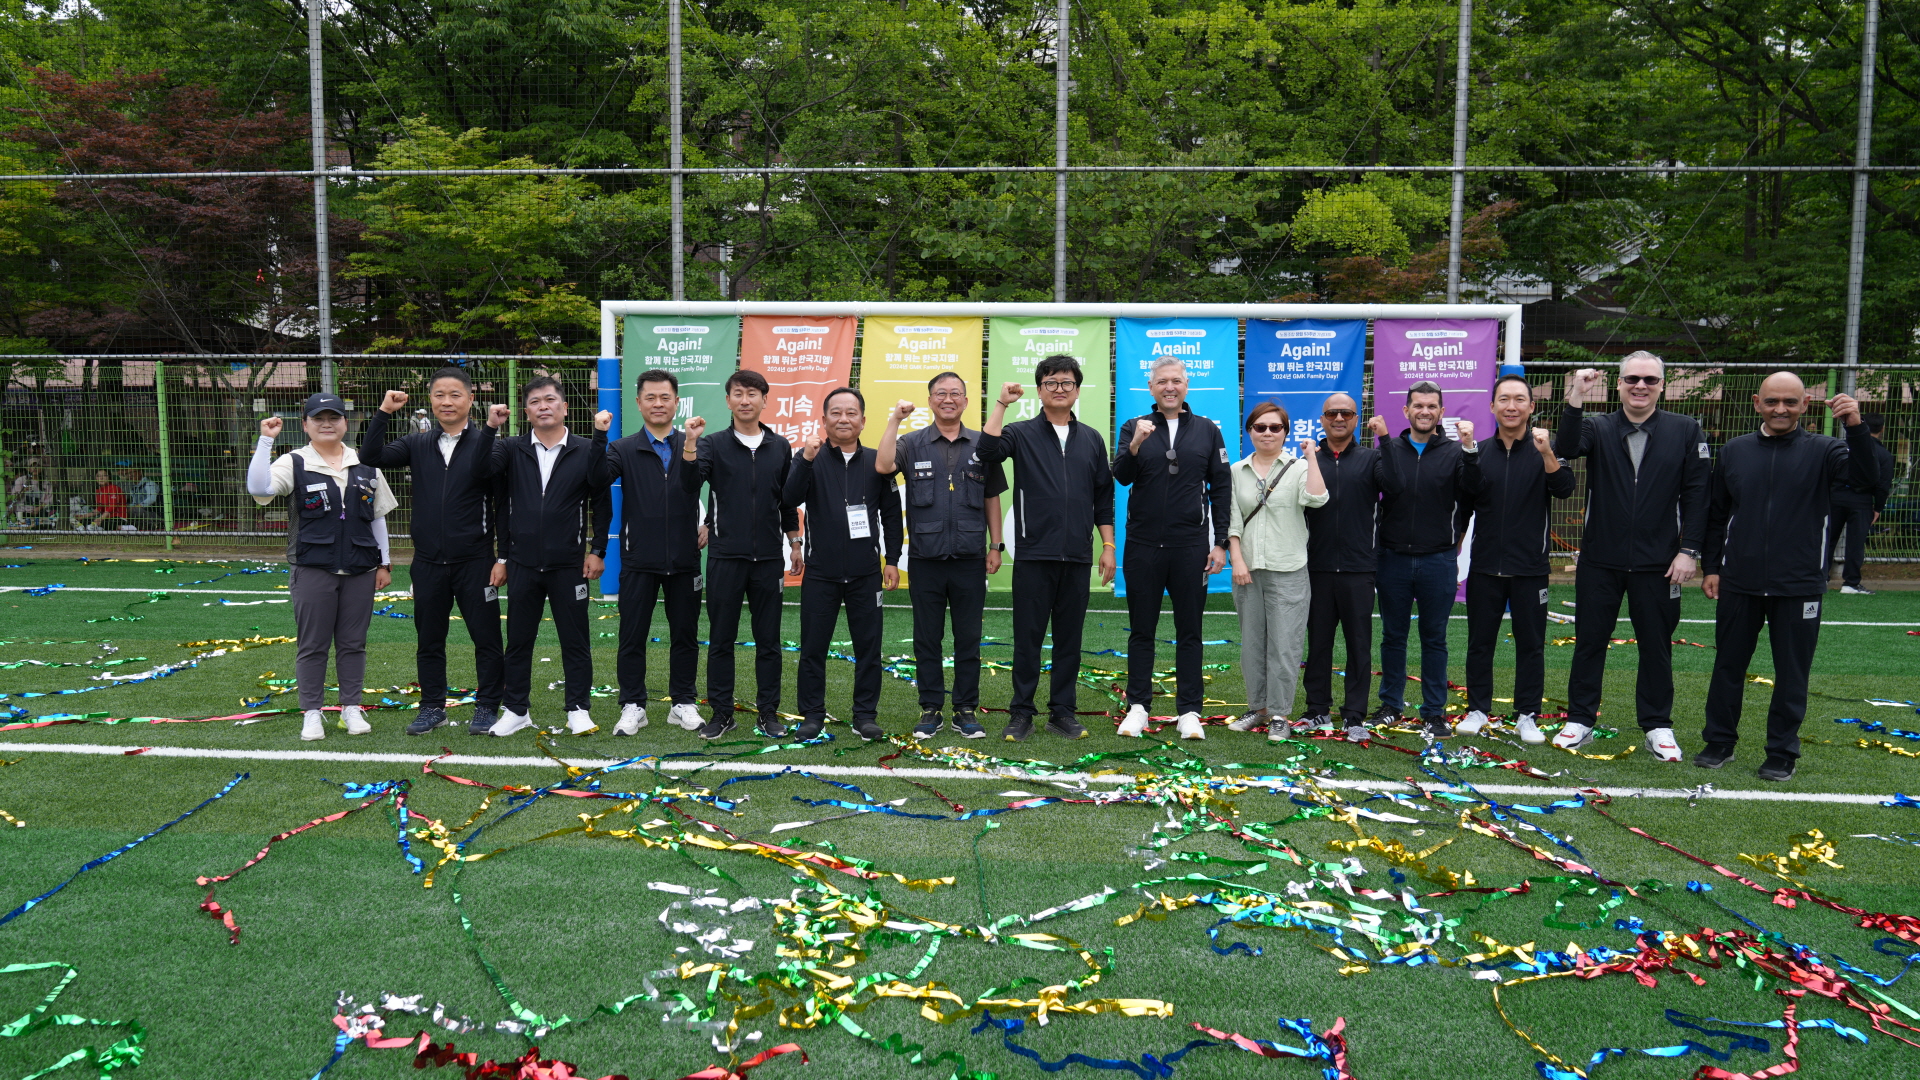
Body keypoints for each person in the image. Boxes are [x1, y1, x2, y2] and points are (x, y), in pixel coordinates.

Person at [1698, 375, 1875, 781]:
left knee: (1792, 673)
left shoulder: (1827, 450)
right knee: (1727, 665)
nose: (1781, 409)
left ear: (1805, 404)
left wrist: (1855, 426)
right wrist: (1712, 567)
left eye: (1790, 402)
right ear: (1757, 403)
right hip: (1739, 580)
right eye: (1773, 401)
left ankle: (1781, 752)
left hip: (1799, 584)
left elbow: (1866, 479)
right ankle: (1719, 741)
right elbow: (1716, 514)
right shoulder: (1735, 450)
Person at [1555, 353, 1711, 761]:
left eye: (1649, 380)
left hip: (1660, 563)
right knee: (1589, 642)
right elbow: (1566, 446)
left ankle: (1657, 726)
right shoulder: (1598, 426)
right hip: (1600, 560)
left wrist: (1689, 551)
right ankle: (1580, 719)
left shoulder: (1685, 429)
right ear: (1620, 384)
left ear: (1662, 385)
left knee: (1656, 646)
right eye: (1632, 379)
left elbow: (1698, 495)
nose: (1640, 386)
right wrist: (1577, 394)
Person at [360, 368, 511, 737]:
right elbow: (370, 454)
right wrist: (384, 411)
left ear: (471, 399)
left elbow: (504, 506)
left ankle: (488, 706)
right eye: (439, 394)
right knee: (429, 640)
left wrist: (502, 557)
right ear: (430, 400)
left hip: (476, 562)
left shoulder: (490, 443)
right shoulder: (417, 443)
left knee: (487, 638)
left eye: (455, 394)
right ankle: (432, 707)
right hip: (427, 562)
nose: (447, 401)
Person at [977, 356, 1116, 742]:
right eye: (1051, 383)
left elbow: (1103, 497)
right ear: (1039, 390)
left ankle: (1062, 713)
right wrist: (1001, 404)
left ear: (1077, 391)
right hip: (1034, 555)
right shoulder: (1020, 433)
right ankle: (1021, 712)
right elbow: (987, 451)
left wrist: (1107, 545)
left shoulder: (1092, 439)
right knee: (1028, 639)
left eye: (1067, 383)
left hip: (1077, 556)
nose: (1059, 389)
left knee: (1070, 640)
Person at [245, 393, 396, 740]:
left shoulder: (365, 463)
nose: (327, 424)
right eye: (318, 418)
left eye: (334, 417)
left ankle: (351, 708)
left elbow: (377, 517)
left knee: (353, 643)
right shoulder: (294, 461)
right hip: (313, 567)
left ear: (346, 422)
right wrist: (266, 440)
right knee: (312, 644)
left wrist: (384, 563)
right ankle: (311, 712)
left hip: (360, 568)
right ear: (305, 425)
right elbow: (259, 487)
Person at [874, 374, 1007, 740]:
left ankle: (965, 709)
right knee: (927, 639)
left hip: (970, 559)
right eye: (941, 394)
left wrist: (995, 545)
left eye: (955, 394)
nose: (948, 399)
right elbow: (883, 466)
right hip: (926, 559)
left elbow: (992, 497)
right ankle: (930, 708)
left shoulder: (982, 444)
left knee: (969, 638)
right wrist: (895, 419)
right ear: (930, 400)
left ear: (965, 401)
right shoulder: (911, 443)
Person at [1111, 358, 1232, 741]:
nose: (1169, 387)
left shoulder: (1208, 430)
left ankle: (1189, 712)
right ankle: (1138, 708)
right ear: (1151, 388)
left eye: (1176, 380)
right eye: (1162, 381)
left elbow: (1221, 488)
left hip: (1191, 547)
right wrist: (1135, 445)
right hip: (1143, 546)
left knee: (1190, 631)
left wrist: (1221, 543)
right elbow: (1121, 476)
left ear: (1186, 385)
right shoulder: (1134, 426)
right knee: (1141, 631)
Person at [680, 369, 802, 740]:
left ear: (765, 400)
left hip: (768, 558)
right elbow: (689, 484)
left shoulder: (780, 446)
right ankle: (722, 713)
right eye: (738, 393)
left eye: (752, 393)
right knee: (721, 639)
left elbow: (786, 501)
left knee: (769, 642)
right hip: (725, 556)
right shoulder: (711, 444)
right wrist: (689, 443)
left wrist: (795, 542)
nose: (745, 400)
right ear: (728, 400)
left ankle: (768, 714)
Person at [488, 376, 612, 738]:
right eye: (535, 402)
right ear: (526, 412)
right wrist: (503, 557)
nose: (543, 406)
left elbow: (602, 502)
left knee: (575, 641)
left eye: (550, 400)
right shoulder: (511, 448)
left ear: (565, 407)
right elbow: (491, 488)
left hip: (569, 565)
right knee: (518, 641)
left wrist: (597, 550)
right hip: (522, 563)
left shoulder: (586, 448)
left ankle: (578, 709)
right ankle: (516, 710)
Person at [1456, 375, 1574, 744]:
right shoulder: (1479, 451)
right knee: (1480, 642)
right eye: (1504, 399)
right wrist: (1453, 546)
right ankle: (1478, 709)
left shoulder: (1544, 449)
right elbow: (1466, 498)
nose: (1511, 406)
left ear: (1531, 407)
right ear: (1492, 406)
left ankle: (1527, 715)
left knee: (1531, 644)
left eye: (1519, 399)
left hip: (1530, 569)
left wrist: (1547, 453)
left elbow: (1564, 489)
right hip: (1485, 566)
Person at [783, 388, 903, 741]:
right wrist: (806, 459)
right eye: (836, 413)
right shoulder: (810, 458)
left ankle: (864, 716)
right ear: (824, 420)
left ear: (863, 421)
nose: (843, 419)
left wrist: (892, 560)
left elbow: (891, 515)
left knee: (869, 648)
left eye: (851, 413)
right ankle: (812, 715)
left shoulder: (878, 462)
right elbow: (789, 499)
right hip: (821, 572)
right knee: (813, 648)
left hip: (866, 573)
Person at [1365, 381, 1478, 739]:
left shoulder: (1456, 452)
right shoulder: (1387, 449)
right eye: (1418, 405)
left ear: (1441, 412)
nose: (1424, 412)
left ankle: (1434, 712)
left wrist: (1470, 448)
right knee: (1393, 636)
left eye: (1431, 406)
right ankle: (1390, 706)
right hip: (1393, 558)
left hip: (1438, 560)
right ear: (1406, 410)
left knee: (1434, 639)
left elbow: (1472, 492)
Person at [606, 368, 709, 737]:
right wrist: (600, 435)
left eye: (665, 397)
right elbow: (596, 479)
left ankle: (683, 703)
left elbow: (715, 486)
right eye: (650, 397)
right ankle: (633, 704)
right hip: (639, 559)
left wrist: (710, 521)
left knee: (685, 634)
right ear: (638, 403)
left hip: (684, 558)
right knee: (632, 636)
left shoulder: (695, 443)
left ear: (676, 402)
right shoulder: (622, 448)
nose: (658, 403)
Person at [1224, 402, 1326, 739]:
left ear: (1285, 432)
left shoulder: (1299, 467)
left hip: (1289, 568)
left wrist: (1311, 457)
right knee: (1252, 645)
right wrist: (1237, 560)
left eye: (1275, 427)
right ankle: (1258, 708)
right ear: (1249, 431)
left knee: (1285, 645)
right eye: (1260, 427)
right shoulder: (1236, 470)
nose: (1267, 433)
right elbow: (1232, 519)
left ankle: (1280, 713)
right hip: (1248, 570)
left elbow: (1317, 498)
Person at [1301, 393, 1382, 739]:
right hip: (1316, 568)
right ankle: (1317, 709)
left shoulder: (1372, 459)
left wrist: (1386, 440)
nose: (1338, 418)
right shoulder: (1307, 460)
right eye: (1332, 413)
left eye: (1346, 413)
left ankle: (1354, 715)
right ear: (1322, 419)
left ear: (1356, 419)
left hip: (1359, 568)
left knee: (1358, 644)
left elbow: (1397, 485)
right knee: (1318, 643)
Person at [1828, 412, 1896, 595]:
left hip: (1835, 497)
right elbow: (1883, 485)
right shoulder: (1883, 454)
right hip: (1862, 500)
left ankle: (1820, 578)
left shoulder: (1843, 447)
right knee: (1856, 542)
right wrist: (1878, 508)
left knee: (1827, 539)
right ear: (1882, 429)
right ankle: (1850, 583)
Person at [8, 460, 54, 527]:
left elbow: (49, 500)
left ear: (41, 468)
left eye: (38, 466)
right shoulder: (21, 480)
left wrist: (39, 508)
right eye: (32, 466)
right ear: (28, 468)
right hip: (22, 513)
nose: (35, 468)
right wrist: (23, 491)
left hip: (40, 513)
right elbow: (14, 498)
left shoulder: (46, 483)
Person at [119, 463, 160, 527]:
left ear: (140, 472)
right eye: (128, 473)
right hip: (140, 513)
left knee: (136, 510)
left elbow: (152, 499)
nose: (130, 475)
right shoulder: (133, 488)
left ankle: (155, 523)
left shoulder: (149, 484)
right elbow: (134, 503)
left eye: (132, 472)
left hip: (153, 513)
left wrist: (138, 506)